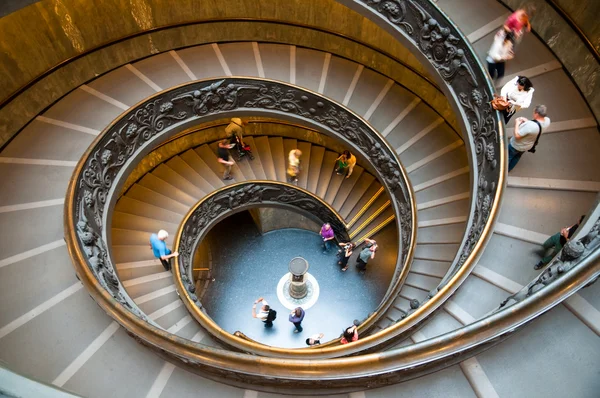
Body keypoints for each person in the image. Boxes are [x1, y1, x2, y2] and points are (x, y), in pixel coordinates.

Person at [507, 104, 550, 172]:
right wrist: (527, 122)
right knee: (517, 157)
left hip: (516, 146)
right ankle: (509, 169)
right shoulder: (547, 121)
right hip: (528, 146)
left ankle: (503, 169)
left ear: (536, 114)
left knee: (508, 156)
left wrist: (517, 123)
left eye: (533, 112)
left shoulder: (530, 126)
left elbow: (517, 135)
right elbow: (536, 126)